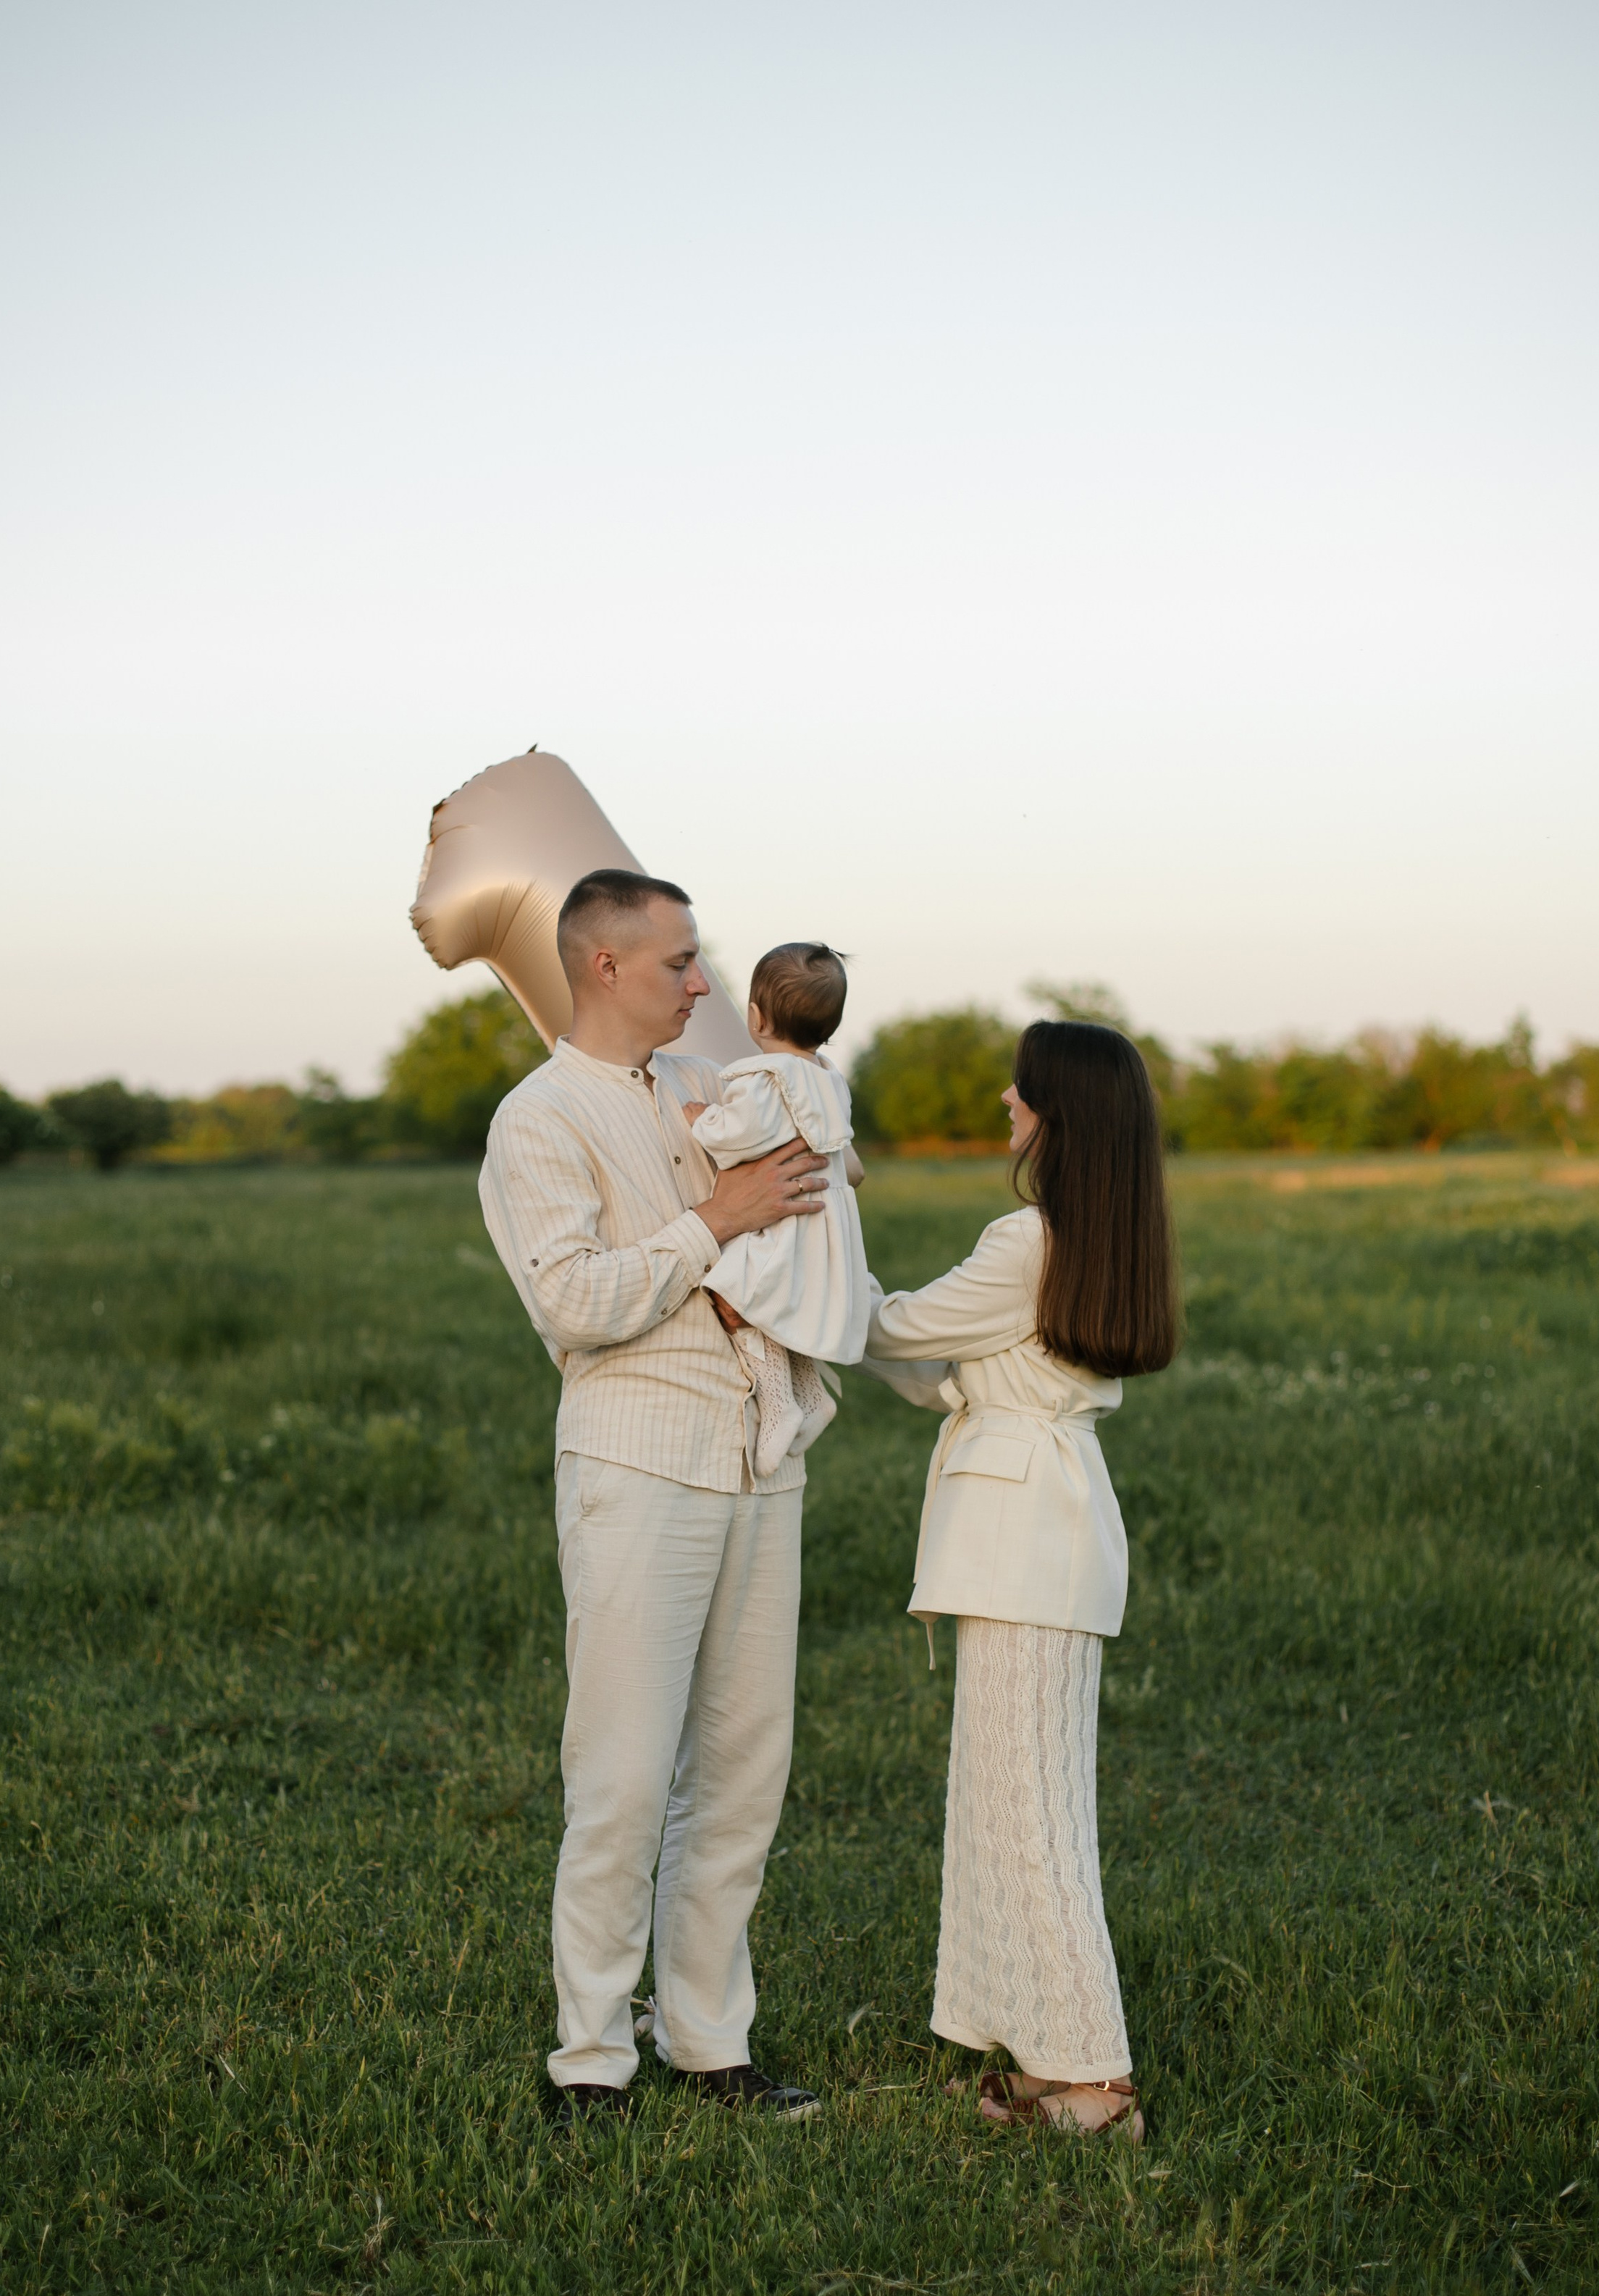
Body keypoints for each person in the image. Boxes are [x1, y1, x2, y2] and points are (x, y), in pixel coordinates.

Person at [479, 867, 829, 2124]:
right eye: (680, 961)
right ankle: (590, 2064)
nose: (701, 981)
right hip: (636, 1466)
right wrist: (716, 1222)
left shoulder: (709, 1083)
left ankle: (709, 2043)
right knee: (622, 1779)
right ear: (605, 966)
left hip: (760, 1454)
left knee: (742, 1771)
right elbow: (574, 1300)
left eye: (698, 957)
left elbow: (799, 1218)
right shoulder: (538, 1118)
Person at [860, 1019, 1179, 2135]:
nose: (1007, 1098)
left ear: (1061, 1113)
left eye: (1023, 1086)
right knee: (1019, 1801)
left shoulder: (1024, 1242)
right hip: (1057, 1529)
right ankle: (1050, 2060)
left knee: (1031, 1815)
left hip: (1021, 1544)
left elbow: (893, 1328)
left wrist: (808, 1247)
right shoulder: (1100, 1239)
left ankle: (1096, 2082)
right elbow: (954, 1370)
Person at [684, 941, 873, 1476]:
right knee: (791, 1303)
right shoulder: (829, 1078)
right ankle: (811, 1396)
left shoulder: (767, 1078)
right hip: (821, 1218)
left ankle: (779, 1402)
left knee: (739, 1291)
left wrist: (703, 1119)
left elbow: (740, 1136)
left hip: (784, 1216)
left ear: (755, 1017)